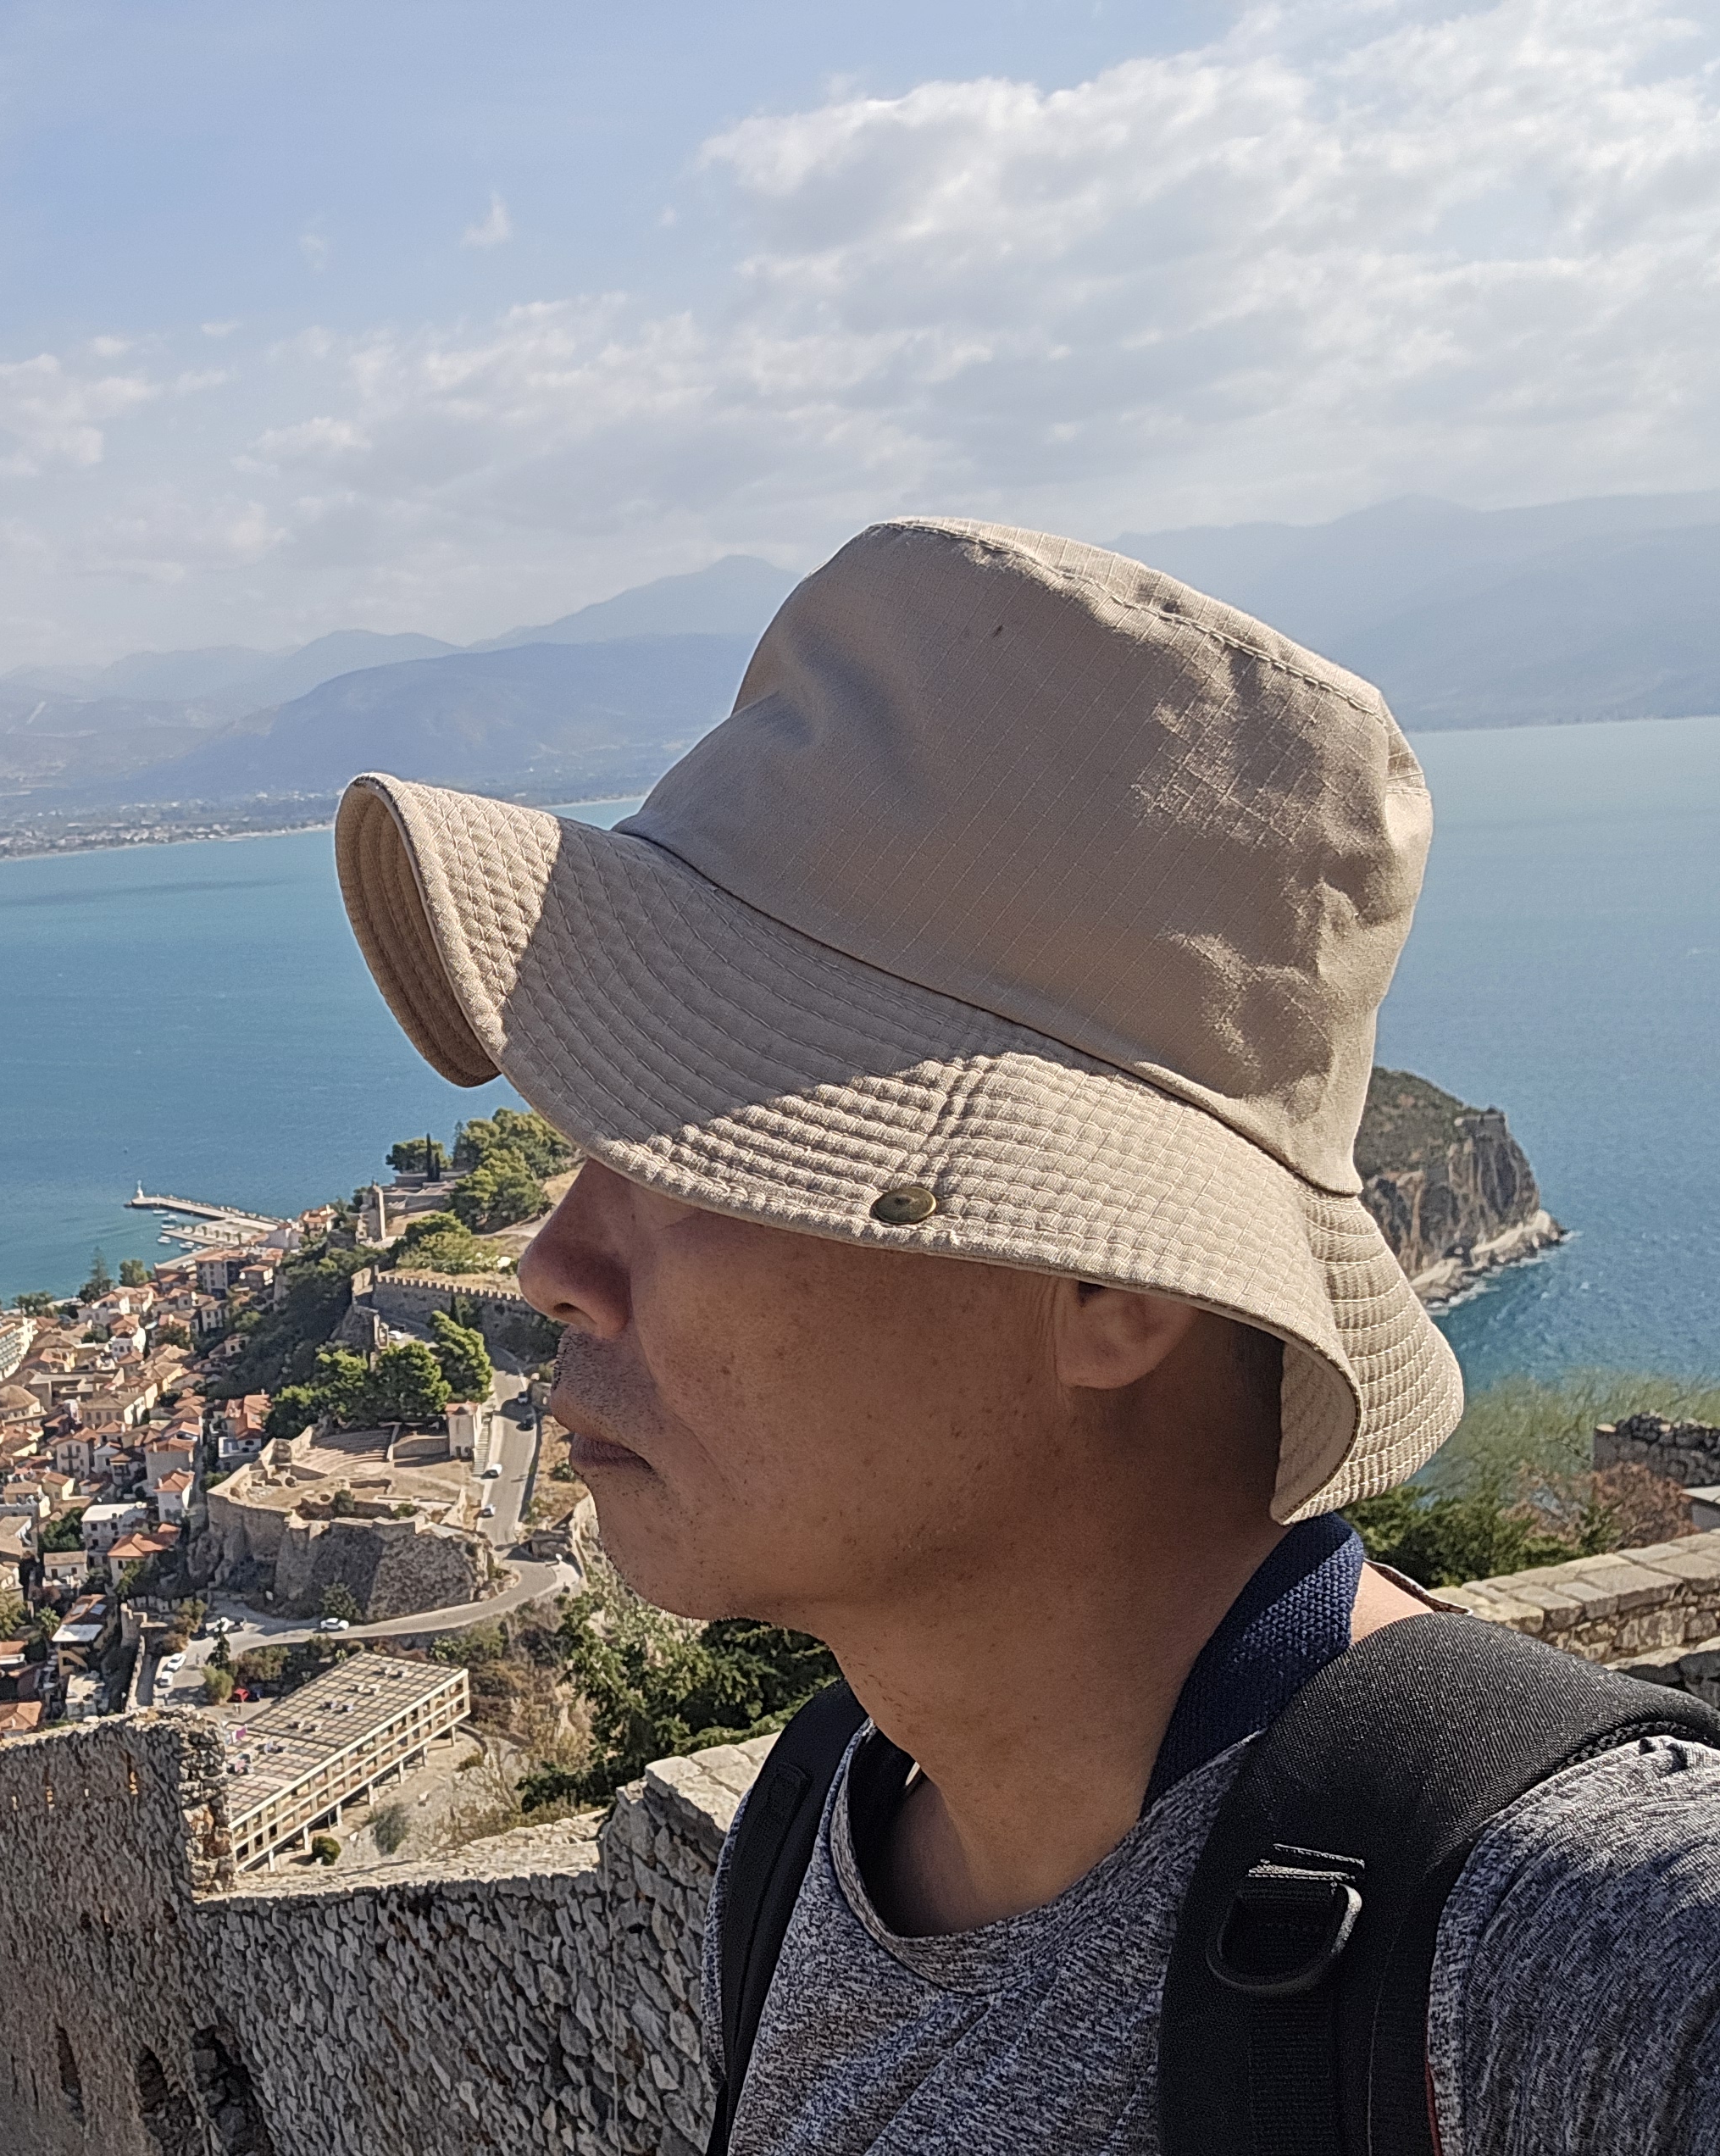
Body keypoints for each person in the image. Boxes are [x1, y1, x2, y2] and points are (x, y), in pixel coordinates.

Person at [328, 519, 1720, 2153]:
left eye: (694, 1150)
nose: (555, 1263)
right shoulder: (816, 1834)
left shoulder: (1573, 1968)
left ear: (1117, 1285)